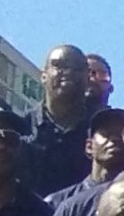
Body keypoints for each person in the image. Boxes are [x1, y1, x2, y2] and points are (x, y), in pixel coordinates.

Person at [20, 45, 93, 196]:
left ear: (88, 77)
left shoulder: (100, 132)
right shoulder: (20, 128)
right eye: (58, 65)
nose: (68, 72)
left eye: (77, 67)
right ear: (44, 75)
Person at [45, 106, 124, 210]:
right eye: (106, 134)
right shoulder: (56, 203)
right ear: (89, 146)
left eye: (122, 135)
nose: (115, 139)